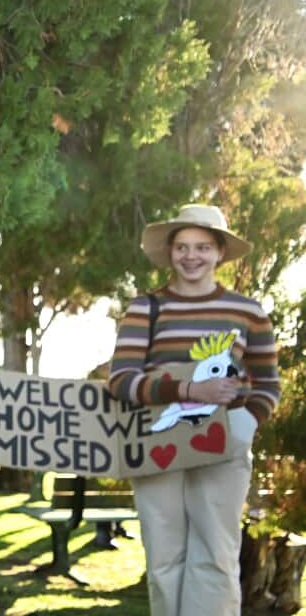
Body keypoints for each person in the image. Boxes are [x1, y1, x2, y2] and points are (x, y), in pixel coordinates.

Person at [107, 204, 279, 616]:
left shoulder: (248, 312)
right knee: (165, 557)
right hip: (156, 441)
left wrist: (244, 422)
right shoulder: (145, 309)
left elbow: (268, 384)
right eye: (182, 247)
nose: (191, 256)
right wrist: (188, 388)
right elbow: (121, 381)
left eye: (202, 246)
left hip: (223, 443)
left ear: (220, 252)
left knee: (217, 555)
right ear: (170, 253)